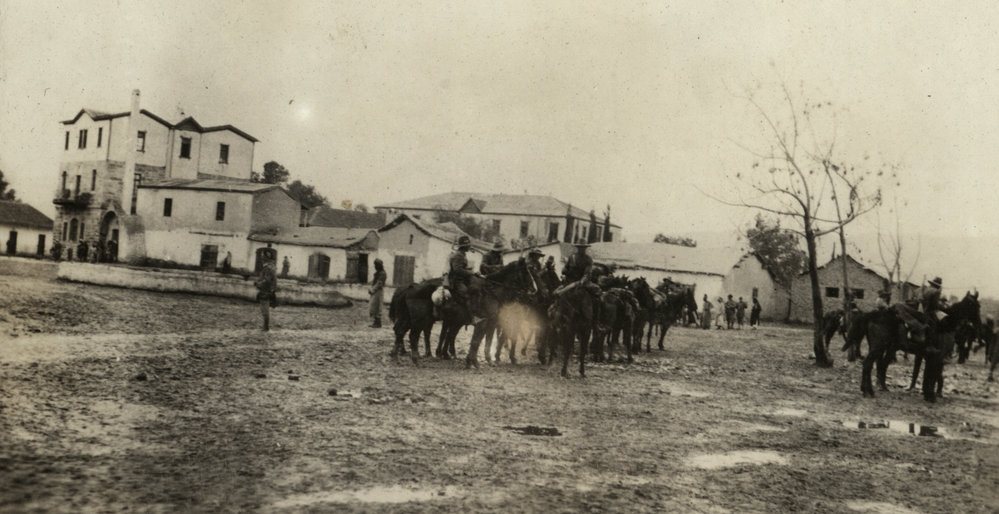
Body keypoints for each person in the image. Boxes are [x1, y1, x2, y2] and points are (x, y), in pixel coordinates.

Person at [894, 276, 943, 344]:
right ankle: (930, 344)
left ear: (931, 283)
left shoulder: (923, 289)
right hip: (924, 313)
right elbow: (934, 306)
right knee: (934, 324)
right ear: (938, 286)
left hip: (915, 309)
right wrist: (940, 307)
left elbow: (915, 298)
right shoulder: (936, 292)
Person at [447, 235, 482, 323]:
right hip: (456, 280)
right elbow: (457, 270)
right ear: (464, 246)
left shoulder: (462, 254)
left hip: (462, 279)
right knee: (466, 294)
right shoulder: (458, 256)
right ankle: (472, 318)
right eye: (468, 245)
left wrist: (473, 272)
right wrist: (472, 273)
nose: (469, 246)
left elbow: (463, 268)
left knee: (476, 288)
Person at [254, 260, 278, 331]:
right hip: (268, 293)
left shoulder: (268, 272)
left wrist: (258, 284)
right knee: (264, 310)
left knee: (265, 311)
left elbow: (266, 281)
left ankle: (266, 327)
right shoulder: (272, 272)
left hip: (265, 293)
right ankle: (265, 326)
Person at [368, 258, 387, 328]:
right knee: (373, 306)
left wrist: (372, 290)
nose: (375, 266)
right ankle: (375, 322)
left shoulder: (382, 273)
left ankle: (378, 323)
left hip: (378, 291)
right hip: (375, 291)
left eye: (376, 265)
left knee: (377, 306)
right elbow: (374, 281)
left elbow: (379, 283)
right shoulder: (378, 273)